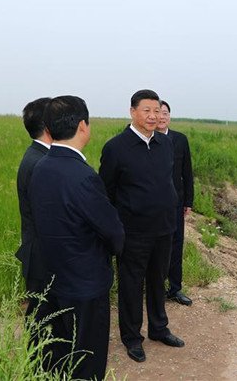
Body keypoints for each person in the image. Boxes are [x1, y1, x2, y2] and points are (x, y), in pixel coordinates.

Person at [29, 95, 125, 380]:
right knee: (87, 357)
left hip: (53, 278)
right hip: (86, 283)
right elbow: (113, 231)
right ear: (83, 126)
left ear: (49, 128)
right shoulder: (82, 176)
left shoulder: (40, 167)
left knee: (59, 351)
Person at [99, 89, 184, 363]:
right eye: (146, 110)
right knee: (131, 285)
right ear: (132, 112)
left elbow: (168, 181)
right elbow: (106, 192)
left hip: (164, 228)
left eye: (157, 110)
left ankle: (159, 328)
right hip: (133, 232)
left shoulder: (165, 144)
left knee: (158, 280)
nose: (153, 116)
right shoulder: (116, 148)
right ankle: (132, 337)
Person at [15, 97, 52, 318]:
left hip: (39, 252)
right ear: (48, 126)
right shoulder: (41, 162)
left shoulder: (38, 155)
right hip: (42, 255)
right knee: (42, 316)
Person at [156, 100, 194, 306]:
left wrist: (188, 200)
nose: (162, 117)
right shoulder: (148, 140)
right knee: (156, 245)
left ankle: (175, 288)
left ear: (169, 116)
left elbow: (187, 172)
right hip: (154, 204)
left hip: (176, 202)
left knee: (176, 244)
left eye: (165, 113)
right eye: (158, 113)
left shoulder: (180, 139)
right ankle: (155, 287)